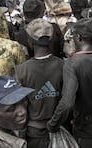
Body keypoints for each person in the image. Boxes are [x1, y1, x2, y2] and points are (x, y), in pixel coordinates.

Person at [47, 18, 92, 147]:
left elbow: (67, 103)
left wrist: (53, 124)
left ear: (79, 38)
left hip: (88, 130)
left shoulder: (72, 64)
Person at [14, 19, 63, 148]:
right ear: (51, 40)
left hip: (34, 133)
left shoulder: (21, 70)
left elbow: (20, 106)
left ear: (30, 42)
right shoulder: (63, 65)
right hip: (60, 128)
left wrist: (21, 135)